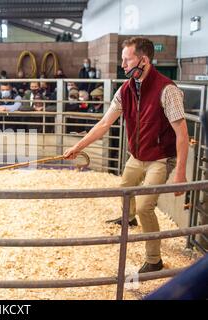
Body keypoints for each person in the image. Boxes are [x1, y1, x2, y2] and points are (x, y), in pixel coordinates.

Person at [64, 37, 189, 273]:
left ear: (143, 60)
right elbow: (104, 124)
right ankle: (129, 218)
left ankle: (154, 260)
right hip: (137, 155)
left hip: (160, 157)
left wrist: (180, 172)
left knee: (145, 207)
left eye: (127, 59)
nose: (122, 64)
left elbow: (182, 134)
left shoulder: (167, 89)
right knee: (125, 186)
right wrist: (79, 146)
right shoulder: (126, 89)